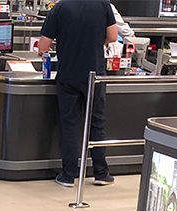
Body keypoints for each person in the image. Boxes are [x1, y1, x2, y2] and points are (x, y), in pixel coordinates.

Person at [37, 0, 119, 189]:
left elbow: (43, 45)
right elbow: (113, 36)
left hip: (68, 75)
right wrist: (95, 43)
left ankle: (68, 175)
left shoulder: (60, 8)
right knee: (96, 123)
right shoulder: (103, 4)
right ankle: (101, 173)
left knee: (69, 126)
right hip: (95, 74)